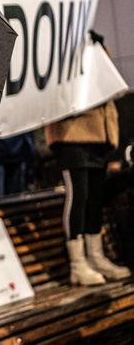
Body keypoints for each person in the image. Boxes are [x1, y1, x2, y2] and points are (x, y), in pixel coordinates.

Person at [45, 98, 131, 285]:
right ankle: (78, 264)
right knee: (79, 196)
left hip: (100, 133)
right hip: (72, 131)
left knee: (95, 198)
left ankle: (95, 256)